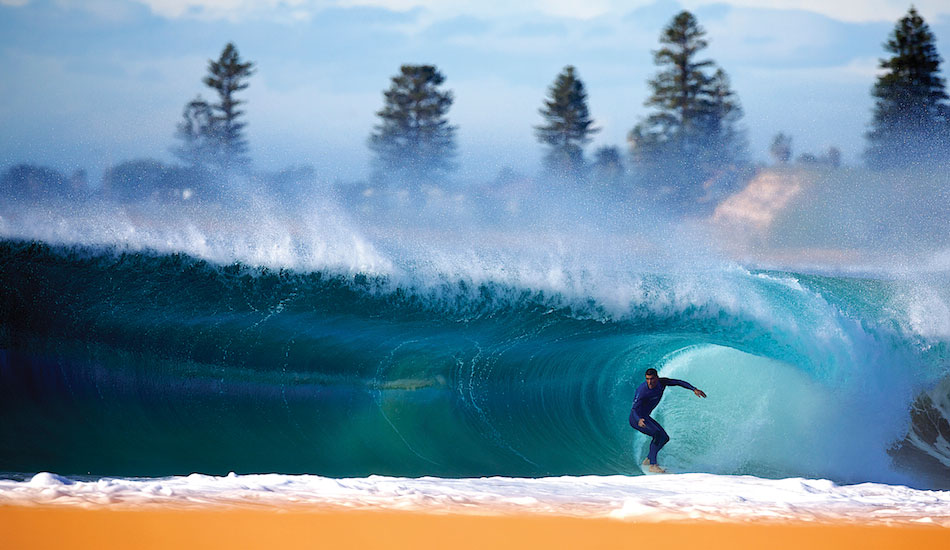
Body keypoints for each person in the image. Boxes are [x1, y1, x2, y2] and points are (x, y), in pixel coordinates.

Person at [629, 368, 706, 473]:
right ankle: (653, 465)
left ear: (657, 377)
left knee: (665, 438)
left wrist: (694, 389)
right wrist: (638, 420)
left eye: (652, 379)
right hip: (637, 419)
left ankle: (648, 459)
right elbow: (634, 409)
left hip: (646, 417)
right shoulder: (642, 390)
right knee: (657, 434)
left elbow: (678, 382)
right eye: (647, 379)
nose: (649, 382)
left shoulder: (662, 383)